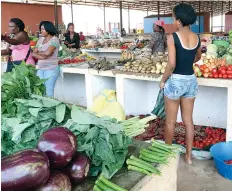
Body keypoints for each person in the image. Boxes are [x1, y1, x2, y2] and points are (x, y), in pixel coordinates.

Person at [159, 3, 201, 165]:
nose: (172, 20)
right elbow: (197, 57)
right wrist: (188, 62)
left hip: (176, 81)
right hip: (191, 80)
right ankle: (189, 157)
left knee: (170, 122)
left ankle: (167, 158)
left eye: (173, 17)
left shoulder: (172, 37)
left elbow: (171, 63)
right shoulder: (196, 37)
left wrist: (163, 80)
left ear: (179, 20)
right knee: (188, 120)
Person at [32, 21, 60, 97]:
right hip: (40, 69)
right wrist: (44, 55)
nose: (41, 31)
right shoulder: (40, 40)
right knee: (41, 91)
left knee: (49, 92)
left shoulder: (55, 40)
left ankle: (51, 108)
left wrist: (40, 54)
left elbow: (48, 53)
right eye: (41, 29)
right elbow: (34, 53)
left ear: (49, 29)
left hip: (51, 69)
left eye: (43, 29)